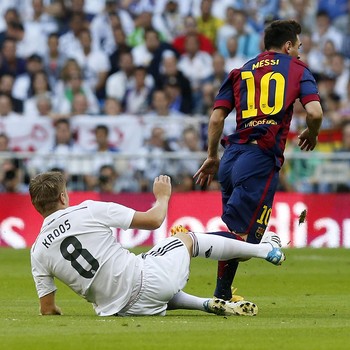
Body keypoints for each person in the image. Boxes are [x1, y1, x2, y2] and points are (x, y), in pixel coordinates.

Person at [29, 171, 285, 317]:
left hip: (120, 311)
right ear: (63, 196)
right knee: (185, 239)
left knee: (148, 268)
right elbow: (153, 221)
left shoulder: (37, 251)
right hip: (147, 280)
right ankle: (264, 248)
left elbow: (48, 309)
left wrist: (58, 312)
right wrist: (162, 197)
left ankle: (206, 304)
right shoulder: (88, 210)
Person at [194, 19, 323, 301]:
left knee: (240, 234)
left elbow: (216, 117)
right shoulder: (298, 69)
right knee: (248, 242)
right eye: (298, 46)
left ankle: (222, 294)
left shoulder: (241, 71)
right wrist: (312, 134)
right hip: (260, 159)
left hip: (231, 158)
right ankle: (186, 242)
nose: (299, 53)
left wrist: (212, 156)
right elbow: (314, 113)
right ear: (288, 45)